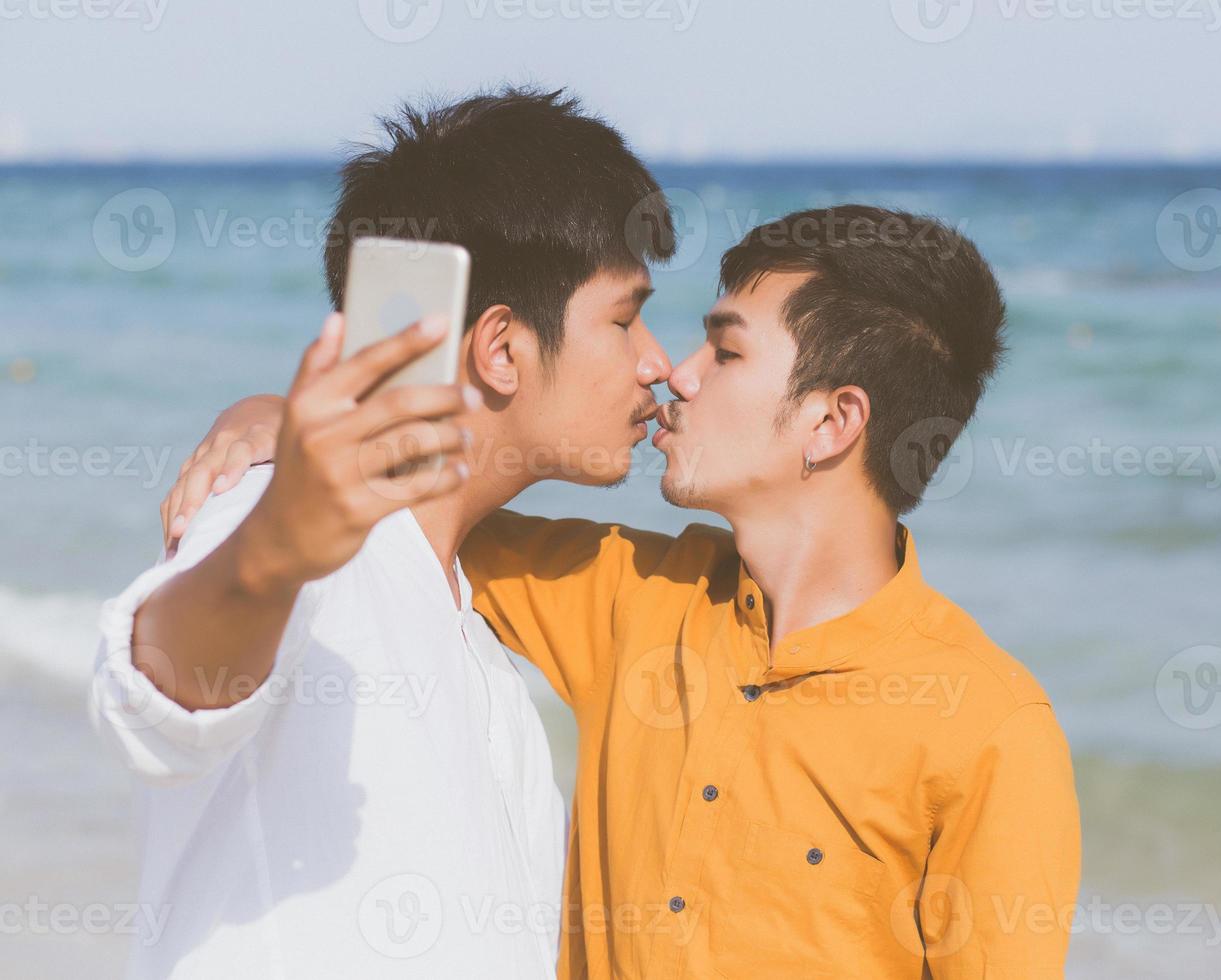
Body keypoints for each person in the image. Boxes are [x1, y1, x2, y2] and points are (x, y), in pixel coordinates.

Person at [175, 206, 1083, 977]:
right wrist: (270, 418)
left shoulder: (988, 726)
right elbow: (416, 499)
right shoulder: (632, 595)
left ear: (832, 421)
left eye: (724, 353)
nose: (674, 374)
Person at [89, 87, 678, 979]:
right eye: (626, 318)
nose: (657, 363)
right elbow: (158, 700)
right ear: (501, 349)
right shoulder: (282, 516)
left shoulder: (473, 628)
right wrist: (274, 547)